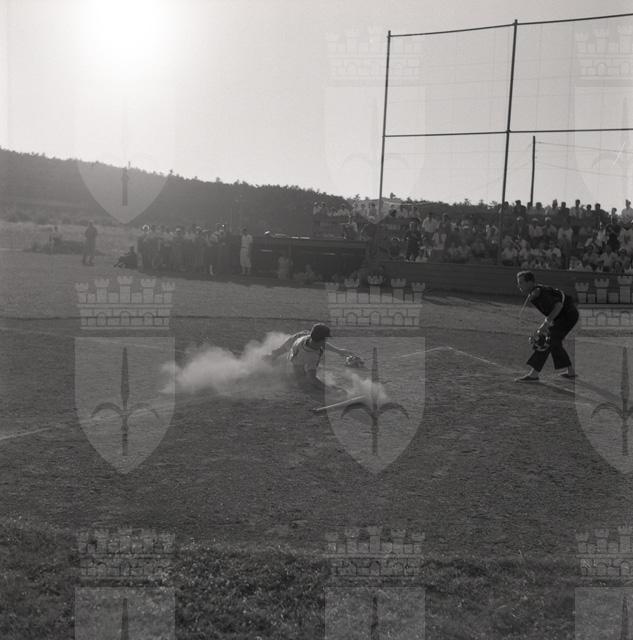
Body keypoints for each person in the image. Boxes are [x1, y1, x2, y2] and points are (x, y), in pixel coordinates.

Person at [515, 270, 578, 382]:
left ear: (530, 282)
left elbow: (558, 306)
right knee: (554, 341)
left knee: (545, 342)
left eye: (521, 282)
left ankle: (534, 375)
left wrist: (546, 324)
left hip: (568, 315)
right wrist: (544, 327)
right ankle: (571, 372)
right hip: (563, 316)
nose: (518, 285)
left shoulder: (539, 292)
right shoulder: (535, 293)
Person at [266, 323, 359, 391]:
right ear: (321, 340)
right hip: (296, 351)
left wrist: (338, 350)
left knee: (279, 352)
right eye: (325, 339)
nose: (326, 340)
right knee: (301, 379)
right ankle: (269, 363)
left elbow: (321, 343)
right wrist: (330, 389)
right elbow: (312, 379)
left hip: (301, 336)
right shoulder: (309, 355)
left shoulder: (313, 339)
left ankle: (271, 357)